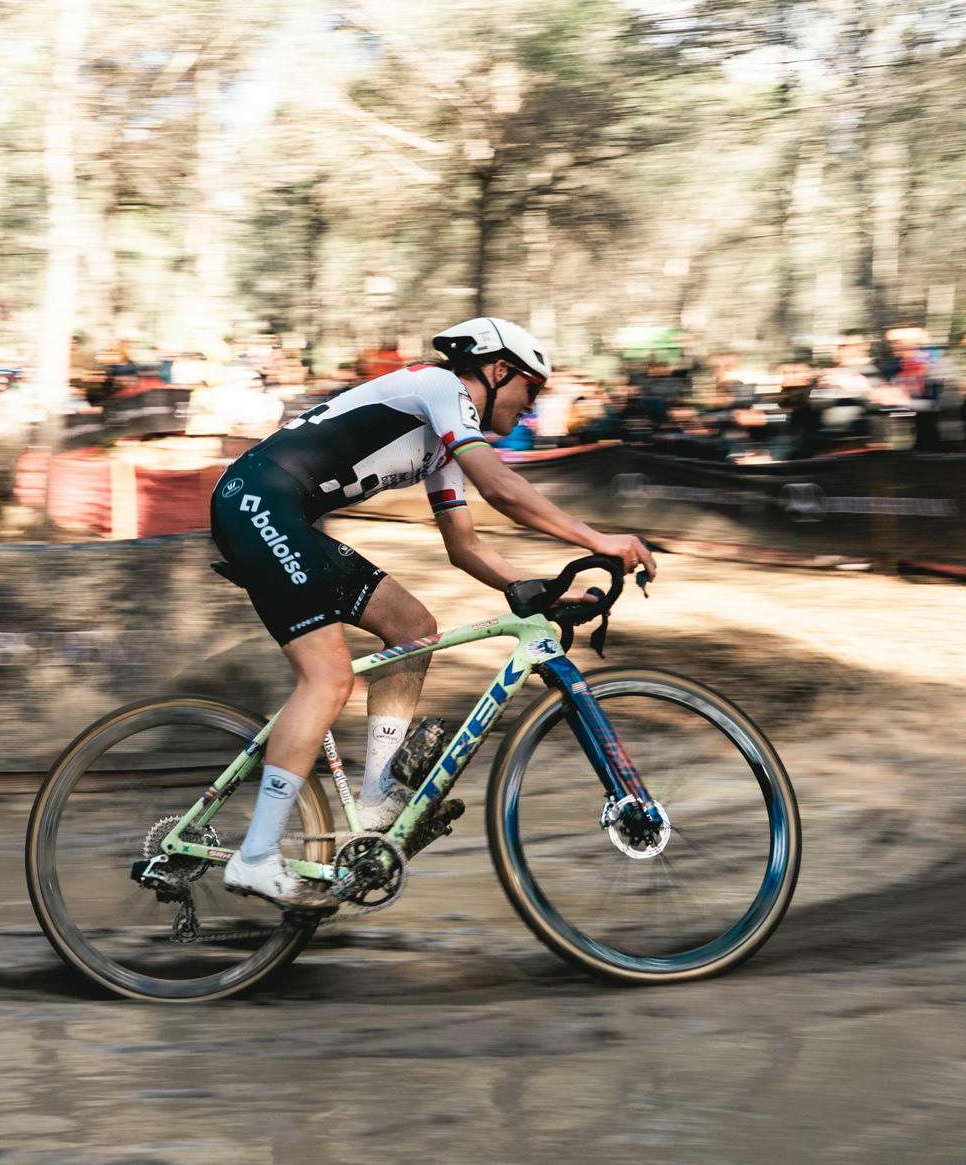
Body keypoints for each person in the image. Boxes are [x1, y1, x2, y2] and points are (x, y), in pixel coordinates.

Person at [208, 316, 657, 905]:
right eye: (532, 391)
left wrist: (538, 589)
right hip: (257, 504)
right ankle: (257, 855)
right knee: (329, 677)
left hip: (279, 512)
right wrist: (597, 541)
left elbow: (464, 545)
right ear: (498, 372)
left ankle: (375, 801)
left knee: (413, 628)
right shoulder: (441, 389)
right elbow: (499, 488)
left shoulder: (445, 436)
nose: (529, 410)